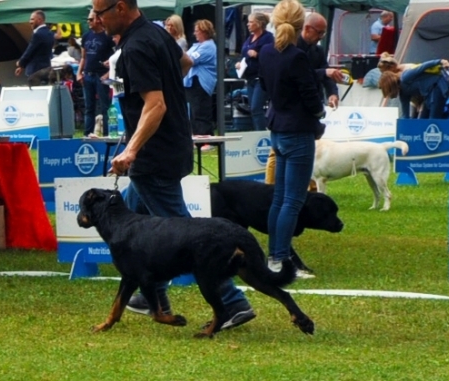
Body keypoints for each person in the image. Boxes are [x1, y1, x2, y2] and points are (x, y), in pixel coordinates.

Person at [92, 0, 256, 330]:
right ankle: (151, 294)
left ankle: (233, 302)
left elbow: (156, 105)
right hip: (173, 144)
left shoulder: (136, 47)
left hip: (154, 155)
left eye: (101, 12)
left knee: (184, 231)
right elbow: (183, 63)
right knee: (138, 228)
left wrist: (131, 150)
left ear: (121, 7)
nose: (97, 19)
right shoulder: (156, 33)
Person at [258, 0, 325, 276]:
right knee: (292, 201)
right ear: (301, 24)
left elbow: (263, 86)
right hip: (298, 131)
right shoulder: (297, 56)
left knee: (280, 198)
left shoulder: (265, 51)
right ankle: (280, 258)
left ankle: (274, 255)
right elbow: (310, 95)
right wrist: (320, 112)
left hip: (277, 128)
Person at [77, 10, 115, 136]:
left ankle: (106, 134)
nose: (88, 22)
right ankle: (87, 134)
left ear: (98, 20)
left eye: (91, 19)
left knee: (105, 106)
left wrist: (109, 73)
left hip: (102, 76)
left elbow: (117, 56)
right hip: (88, 74)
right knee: (89, 107)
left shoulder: (108, 36)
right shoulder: (86, 36)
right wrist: (79, 72)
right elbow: (83, 57)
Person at [379, 58, 449, 119]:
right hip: (429, 95)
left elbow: (422, 66)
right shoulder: (403, 94)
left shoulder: (405, 77)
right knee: (422, 121)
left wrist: (440, 61)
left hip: (439, 87)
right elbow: (405, 115)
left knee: (433, 120)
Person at [239, 12, 274, 131]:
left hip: (261, 78)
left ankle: (262, 135)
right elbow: (244, 54)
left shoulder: (268, 38)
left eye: (250, 22)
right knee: (252, 108)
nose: (248, 24)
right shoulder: (249, 38)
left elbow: (272, 55)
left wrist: (257, 54)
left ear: (259, 24)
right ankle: (257, 133)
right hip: (250, 78)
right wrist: (240, 63)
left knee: (256, 108)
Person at [184, 19, 217, 139]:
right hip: (191, 83)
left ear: (204, 32)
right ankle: (197, 136)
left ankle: (206, 138)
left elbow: (190, 60)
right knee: (193, 111)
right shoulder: (197, 46)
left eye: (197, 31)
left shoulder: (208, 47)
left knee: (201, 111)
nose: (194, 33)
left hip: (201, 83)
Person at [16, 10, 54, 82]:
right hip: (46, 69)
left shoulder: (37, 34)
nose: (30, 22)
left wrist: (20, 63)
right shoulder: (50, 33)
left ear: (39, 20)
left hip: (35, 71)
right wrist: (22, 67)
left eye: (32, 19)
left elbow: (29, 51)